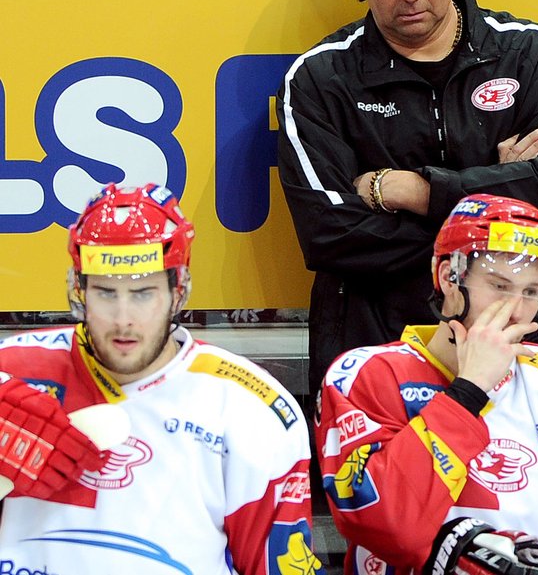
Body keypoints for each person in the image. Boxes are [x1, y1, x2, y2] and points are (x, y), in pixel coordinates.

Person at [276, 0, 538, 400]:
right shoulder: (320, 78)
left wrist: (412, 191)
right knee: (394, 485)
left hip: (527, 334)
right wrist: (497, 204)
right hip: (376, 346)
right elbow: (330, 233)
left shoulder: (528, 52)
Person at [315, 194, 538, 575]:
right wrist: (468, 391)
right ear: (448, 277)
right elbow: (386, 528)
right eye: (499, 286)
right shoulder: (368, 375)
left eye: (530, 292)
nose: (515, 310)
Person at [0, 183, 323, 575]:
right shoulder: (14, 369)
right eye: (105, 292)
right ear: (79, 290)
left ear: (178, 290)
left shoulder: (252, 406)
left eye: (142, 293)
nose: (123, 319)